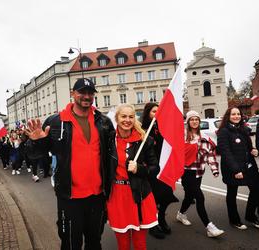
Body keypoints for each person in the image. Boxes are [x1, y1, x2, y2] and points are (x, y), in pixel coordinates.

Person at [25, 78, 114, 250]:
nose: (86, 96)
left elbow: (111, 156)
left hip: (97, 196)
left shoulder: (103, 122)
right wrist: (36, 142)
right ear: (73, 93)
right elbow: (35, 154)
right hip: (70, 196)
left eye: (90, 93)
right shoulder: (55, 122)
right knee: (71, 244)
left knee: (95, 242)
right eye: (82, 92)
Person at [106, 104, 159, 250]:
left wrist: (139, 169)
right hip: (117, 196)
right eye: (123, 116)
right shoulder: (109, 140)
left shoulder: (144, 140)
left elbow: (155, 168)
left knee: (140, 244)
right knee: (122, 244)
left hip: (140, 195)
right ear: (117, 118)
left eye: (131, 116)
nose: (127, 120)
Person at [176, 110, 224, 237]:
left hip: (198, 172)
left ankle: (181, 214)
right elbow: (175, 154)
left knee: (189, 197)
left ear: (199, 121)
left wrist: (214, 169)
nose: (194, 121)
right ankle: (210, 227)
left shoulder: (204, 137)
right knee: (199, 197)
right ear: (188, 121)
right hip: (186, 173)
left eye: (196, 119)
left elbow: (210, 155)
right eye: (192, 119)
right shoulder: (182, 136)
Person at [217, 107, 259, 230]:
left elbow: (249, 146)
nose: (236, 116)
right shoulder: (223, 132)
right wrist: (236, 170)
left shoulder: (243, 129)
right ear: (228, 116)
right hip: (232, 168)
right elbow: (226, 152)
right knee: (232, 194)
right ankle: (234, 220)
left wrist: (253, 150)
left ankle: (250, 216)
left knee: (257, 189)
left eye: (238, 114)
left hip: (248, 166)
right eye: (233, 114)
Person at [141, 102, 179, 239]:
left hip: (164, 169)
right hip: (151, 170)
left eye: (158, 111)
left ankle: (161, 218)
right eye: (153, 111)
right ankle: (153, 225)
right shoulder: (142, 129)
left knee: (166, 196)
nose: (156, 114)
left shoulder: (163, 128)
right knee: (153, 199)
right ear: (147, 113)